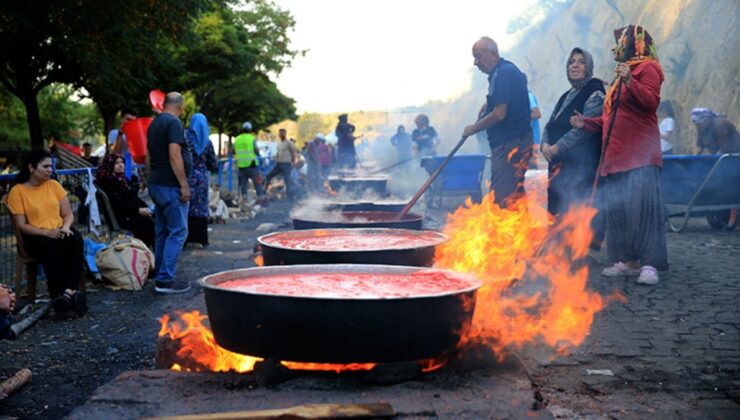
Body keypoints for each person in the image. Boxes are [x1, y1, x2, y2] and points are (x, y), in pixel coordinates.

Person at [570, 25, 668, 285]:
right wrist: (586, 123)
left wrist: (629, 81)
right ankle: (628, 261)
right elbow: (610, 119)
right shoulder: (620, 75)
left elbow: (650, 103)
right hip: (616, 157)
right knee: (620, 212)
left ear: (634, 43)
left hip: (640, 156)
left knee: (643, 211)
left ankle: (650, 264)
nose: (616, 48)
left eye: (620, 42)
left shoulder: (647, 68)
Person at [540, 47, 606, 251]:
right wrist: (544, 144)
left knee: (577, 206)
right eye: (571, 62)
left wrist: (557, 148)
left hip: (580, 165)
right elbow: (551, 124)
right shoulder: (565, 95)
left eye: (581, 62)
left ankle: (578, 253)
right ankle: (560, 249)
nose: (575, 65)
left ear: (589, 67)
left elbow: (584, 129)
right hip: (559, 163)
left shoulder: (595, 93)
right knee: (559, 205)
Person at [6, 150, 88, 315]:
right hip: (35, 235)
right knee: (51, 248)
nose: (50, 170)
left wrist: (66, 227)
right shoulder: (18, 191)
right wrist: (46, 233)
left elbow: (68, 214)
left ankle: (68, 293)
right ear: (31, 167)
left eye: (51, 166)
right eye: (45, 166)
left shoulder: (54, 185)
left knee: (75, 240)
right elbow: (21, 225)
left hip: (58, 229)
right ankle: (58, 295)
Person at [462, 37, 533, 207]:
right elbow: (512, 96)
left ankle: (506, 234)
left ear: (493, 54)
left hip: (509, 144)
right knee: (515, 196)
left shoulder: (502, 73)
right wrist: (490, 103)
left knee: (503, 199)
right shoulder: (507, 70)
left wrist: (473, 128)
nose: (475, 62)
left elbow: (499, 114)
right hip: (518, 142)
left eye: (478, 56)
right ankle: (522, 233)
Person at [146, 92, 192, 294]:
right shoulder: (173, 123)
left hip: (156, 183)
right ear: (180, 107)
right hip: (170, 185)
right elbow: (175, 155)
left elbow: (147, 155)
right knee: (178, 231)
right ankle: (165, 280)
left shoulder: (154, 124)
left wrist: (150, 177)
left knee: (163, 231)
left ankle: (160, 276)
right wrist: (183, 185)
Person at [95, 153, 155, 246]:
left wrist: (146, 208)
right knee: (149, 224)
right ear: (110, 165)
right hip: (122, 217)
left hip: (132, 213)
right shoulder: (108, 181)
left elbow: (134, 198)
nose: (120, 165)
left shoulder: (122, 179)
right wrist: (138, 210)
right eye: (116, 163)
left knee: (157, 218)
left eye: (122, 162)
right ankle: (145, 252)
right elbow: (118, 204)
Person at [185, 113, 217, 246]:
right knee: (201, 207)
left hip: (186, 176)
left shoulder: (185, 138)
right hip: (202, 178)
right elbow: (213, 163)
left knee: (186, 206)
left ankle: (186, 238)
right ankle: (201, 239)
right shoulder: (207, 142)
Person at [233, 122, 266, 204]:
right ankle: (261, 198)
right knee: (257, 182)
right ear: (250, 129)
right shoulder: (252, 138)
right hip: (252, 165)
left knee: (243, 184)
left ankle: (244, 200)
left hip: (241, 166)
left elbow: (233, 151)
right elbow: (256, 150)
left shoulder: (237, 139)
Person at [265, 128, 298, 199]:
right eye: (280, 133)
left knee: (287, 179)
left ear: (285, 134)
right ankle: (264, 192)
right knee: (269, 176)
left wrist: (294, 161)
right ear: (279, 134)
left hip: (286, 164)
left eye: (283, 133)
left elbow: (293, 152)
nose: (281, 134)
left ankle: (290, 196)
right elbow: (278, 153)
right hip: (279, 164)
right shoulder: (279, 143)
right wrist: (275, 158)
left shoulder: (289, 143)